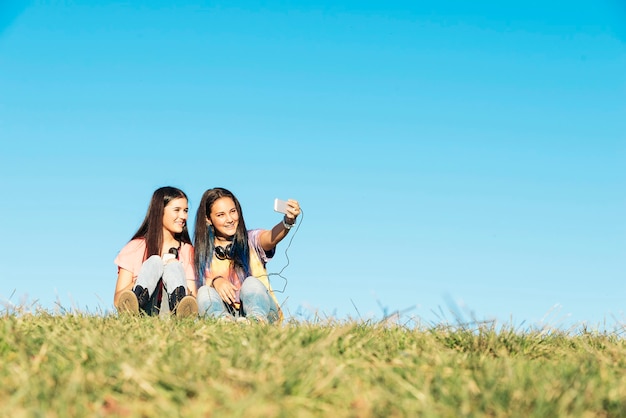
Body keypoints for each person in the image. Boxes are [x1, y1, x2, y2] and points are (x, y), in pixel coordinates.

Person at [193, 187, 300, 323]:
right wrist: (215, 282)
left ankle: (256, 322)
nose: (230, 219)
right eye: (221, 215)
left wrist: (287, 222)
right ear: (208, 219)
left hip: (265, 312)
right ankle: (223, 324)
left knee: (250, 283)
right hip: (230, 315)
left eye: (233, 212)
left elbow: (270, 237)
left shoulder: (251, 240)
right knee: (204, 292)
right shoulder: (201, 254)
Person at [114, 186, 198, 317]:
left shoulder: (188, 251)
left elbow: (194, 298)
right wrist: (143, 280)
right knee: (154, 262)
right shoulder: (135, 247)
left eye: (185, 211)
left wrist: (174, 279)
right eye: (177, 210)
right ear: (160, 211)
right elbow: (117, 300)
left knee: (174, 266)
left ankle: (179, 310)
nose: (183, 216)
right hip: (144, 312)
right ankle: (136, 303)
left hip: (169, 313)